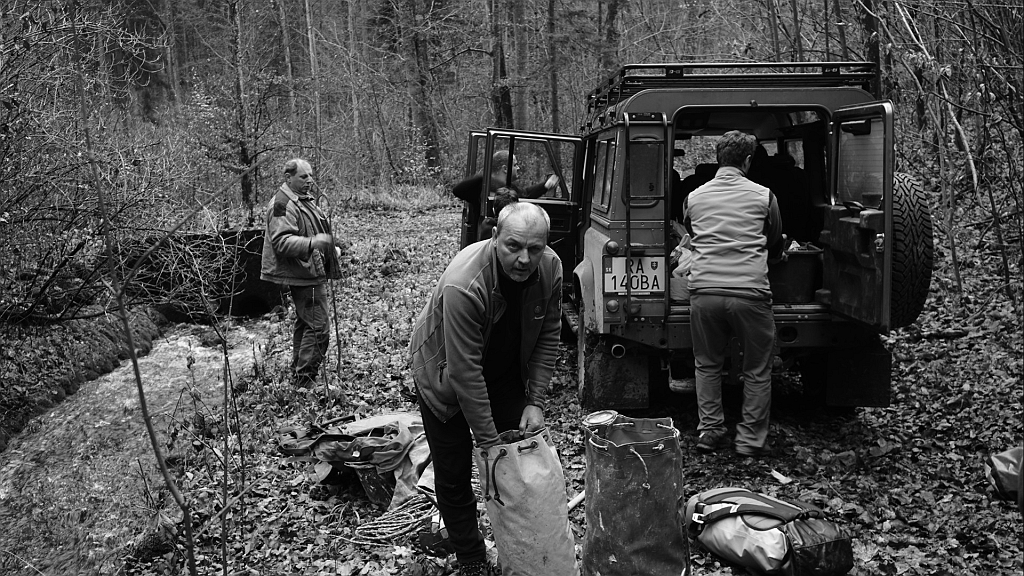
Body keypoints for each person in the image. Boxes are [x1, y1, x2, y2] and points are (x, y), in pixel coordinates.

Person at [408, 202, 562, 576]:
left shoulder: (550, 267)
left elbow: (549, 333)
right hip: (444, 377)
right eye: (513, 246)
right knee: (454, 472)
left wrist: (535, 401)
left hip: (503, 372)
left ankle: (525, 551)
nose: (524, 259)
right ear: (495, 237)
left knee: (520, 460)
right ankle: (472, 558)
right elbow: (465, 373)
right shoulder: (465, 284)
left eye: (535, 248)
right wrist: (489, 443)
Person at [682, 131, 785, 457]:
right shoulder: (765, 196)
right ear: (748, 161)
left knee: (707, 364)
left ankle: (710, 431)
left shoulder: (694, 198)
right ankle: (750, 440)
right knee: (756, 369)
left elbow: (692, 233)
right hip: (750, 294)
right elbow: (774, 240)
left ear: (718, 159)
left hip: (705, 292)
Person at [260, 158, 342, 389]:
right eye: (303, 176)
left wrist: (325, 248)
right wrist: (314, 243)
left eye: (310, 175)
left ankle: (299, 372)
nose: (310, 180)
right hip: (302, 274)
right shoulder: (282, 204)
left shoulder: (301, 199)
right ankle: (305, 380)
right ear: (288, 178)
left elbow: (307, 230)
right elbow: (281, 242)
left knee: (306, 323)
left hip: (308, 270)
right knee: (318, 327)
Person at [452, 150, 559, 243]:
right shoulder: (481, 185)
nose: (518, 168)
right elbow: (458, 190)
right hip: (485, 239)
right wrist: (486, 175)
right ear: (505, 169)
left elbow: (525, 194)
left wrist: (545, 186)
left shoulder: (510, 187)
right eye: (515, 165)